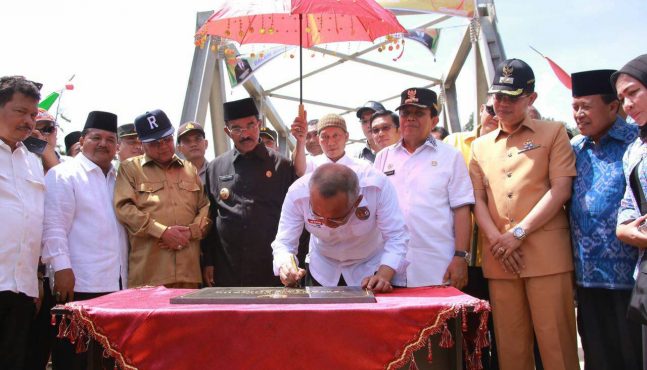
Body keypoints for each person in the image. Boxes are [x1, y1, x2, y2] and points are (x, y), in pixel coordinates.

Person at [469, 58, 579, 370]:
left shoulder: (553, 133)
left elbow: (560, 190)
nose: (501, 104)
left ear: (531, 98)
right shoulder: (479, 146)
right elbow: (477, 197)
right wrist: (497, 240)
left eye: (511, 97)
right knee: (510, 349)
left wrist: (518, 234)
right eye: (497, 96)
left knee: (557, 347)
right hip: (501, 258)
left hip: (546, 257)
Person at [569, 69, 643, 370]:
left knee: (635, 357)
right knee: (598, 358)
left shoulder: (636, 145)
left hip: (633, 282)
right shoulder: (573, 149)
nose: (578, 114)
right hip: (587, 278)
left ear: (613, 107)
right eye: (574, 107)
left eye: (585, 106)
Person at [42, 111, 128, 370]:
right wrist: (61, 269)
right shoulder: (64, 174)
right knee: (74, 361)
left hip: (116, 285)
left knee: (107, 360)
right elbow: (53, 226)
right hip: (79, 284)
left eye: (110, 139)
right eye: (96, 137)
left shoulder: (120, 178)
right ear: (82, 140)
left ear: (117, 146)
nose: (103, 144)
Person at [374, 87, 473, 288]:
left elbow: (462, 209)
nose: (410, 118)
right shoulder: (383, 157)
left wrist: (461, 257)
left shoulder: (450, 156)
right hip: (389, 270)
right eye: (405, 113)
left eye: (419, 113)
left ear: (434, 120)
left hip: (437, 267)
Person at [202, 98, 297, 287]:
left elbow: (296, 219)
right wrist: (208, 261)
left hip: (272, 269)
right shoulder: (215, 168)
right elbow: (210, 217)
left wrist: (292, 263)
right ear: (227, 132)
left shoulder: (282, 166)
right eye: (236, 128)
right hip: (228, 269)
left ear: (259, 125)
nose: (245, 134)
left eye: (250, 125)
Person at [272, 163, 408, 291]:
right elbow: (284, 242)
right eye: (316, 214)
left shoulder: (376, 187)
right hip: (322, 268)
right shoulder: (297, 193)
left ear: (357, 201)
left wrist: (383, 275)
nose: (325, 223)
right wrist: (286, 266)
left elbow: (396, 236)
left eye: (335, 219)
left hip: (370, 267)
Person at [114, 109, 210, 288]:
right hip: (150, 274)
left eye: (167, 140)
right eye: (155, 143)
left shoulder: (190, 170)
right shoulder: (129, 169)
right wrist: (162, 232)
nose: (163, 146)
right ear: (141, 144)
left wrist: (191, 231)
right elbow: (124, 208)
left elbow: (205, 206)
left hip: (189, 272)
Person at [443, 94, 500, 369]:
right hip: (463, 258)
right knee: (466, 332)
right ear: (481, 109)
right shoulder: (454, 143)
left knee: (501, 333)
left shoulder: (511, 144)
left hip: (500, 254)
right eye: (491, 108)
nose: (497, 114)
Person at [0, 75, 43, 370]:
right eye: (20, 111)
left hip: (22, 289)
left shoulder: (33, 161)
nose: (29, 121)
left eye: (33, 114)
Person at [613, 53, 647, 370]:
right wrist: (624, 230)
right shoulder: (634, 150)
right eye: (622, 98)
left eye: (633, 92)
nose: (627, 104)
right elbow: (627, 205)